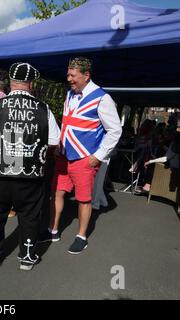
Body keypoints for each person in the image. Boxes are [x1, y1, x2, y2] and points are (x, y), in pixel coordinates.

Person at [0, 62, 60, 271]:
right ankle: (27, 257)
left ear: (12, 83)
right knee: (29, 216)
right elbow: (54, 139)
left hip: (0, 172)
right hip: (30, 175)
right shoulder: (43, 109)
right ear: (30, 84)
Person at [45, 57, 122, 254]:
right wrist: (59, 147)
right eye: (68, 74)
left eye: (73, 75)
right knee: (57, 193)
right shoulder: (71, 94)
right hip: (64, 156)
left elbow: (115, 130)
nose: (68, 78)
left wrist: (98, 156)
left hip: (84, 158)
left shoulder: (102, 98)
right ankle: (52, 229)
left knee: (84, 199)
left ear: (86, 76)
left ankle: (81, 236)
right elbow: (67, 123)